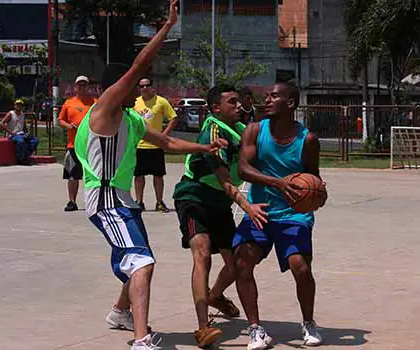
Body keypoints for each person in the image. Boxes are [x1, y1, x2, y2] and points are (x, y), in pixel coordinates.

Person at [74, 2, 226, 349]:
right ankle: (141, 339)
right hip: (106, 200)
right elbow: (141, 63)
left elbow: (168, 141)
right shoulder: (104, 112)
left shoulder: (131, 119)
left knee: (137, 258)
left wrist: (204, 148)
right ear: (118, 88)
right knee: (142, 261)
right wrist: (169, 25)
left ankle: (120, 312)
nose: (139, 86)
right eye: (132, 83)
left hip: (123, 200)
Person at [172, 85, 269, 348]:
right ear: (216, 108)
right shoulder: (213, 129)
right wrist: (248, 207)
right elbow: (225, 180)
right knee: (202, 254)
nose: (239, 106)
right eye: (232, 102)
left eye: (240, 101)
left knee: (235, 264)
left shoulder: (239, 130)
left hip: (220, 202)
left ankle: (215, 295)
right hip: (194, 195)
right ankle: (203, 327)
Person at [232, 82, 327, 350]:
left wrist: (317, 193)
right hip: (260, 210)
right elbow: (243, 169)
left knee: (301, 267)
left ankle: (308, 322)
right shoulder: (254, 130)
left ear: (291, 103)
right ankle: (255, 329)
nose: (267, 100)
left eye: (274, 96)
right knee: (242, 261)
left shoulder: (307, 140)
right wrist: (278, 183)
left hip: (293, 215)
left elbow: (313, 177)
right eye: (267, 96)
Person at [133, 77, 178, 212]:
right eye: (141, 86)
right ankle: (139, 202)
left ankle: (159, 202)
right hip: (139, 145)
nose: (144, 88)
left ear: (153, 86)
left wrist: (164, 135)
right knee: (139, 176)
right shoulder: (135, 102)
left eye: (147, 85)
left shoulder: (161, 101)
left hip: (156, 145)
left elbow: (173, 118)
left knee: (158, 175)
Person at [58, 75, 96, 211]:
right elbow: (60, 120)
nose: (82, 87)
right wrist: (69, 126)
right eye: (79, 85)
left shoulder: (94, 102)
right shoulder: (69, 103)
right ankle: (72, 201)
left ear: (88, 87)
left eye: (84, 85)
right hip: (73, 145)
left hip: (91, 145)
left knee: (93, 174)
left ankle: (94, 201)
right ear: (75, 87)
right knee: (72, 175)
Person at [2, 99, 39, 165]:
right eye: (17, 105)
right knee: (21, 141)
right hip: (13, 134)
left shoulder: (22, 114)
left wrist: (26, 132)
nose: (19, 106)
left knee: (35, 140)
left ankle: (26, 155)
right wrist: (10, 132)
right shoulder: (11, 114)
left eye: (20, 105)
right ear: (15, 106)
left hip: (21, 133)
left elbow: (23, 125)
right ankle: (21, 159)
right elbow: (2, 123)